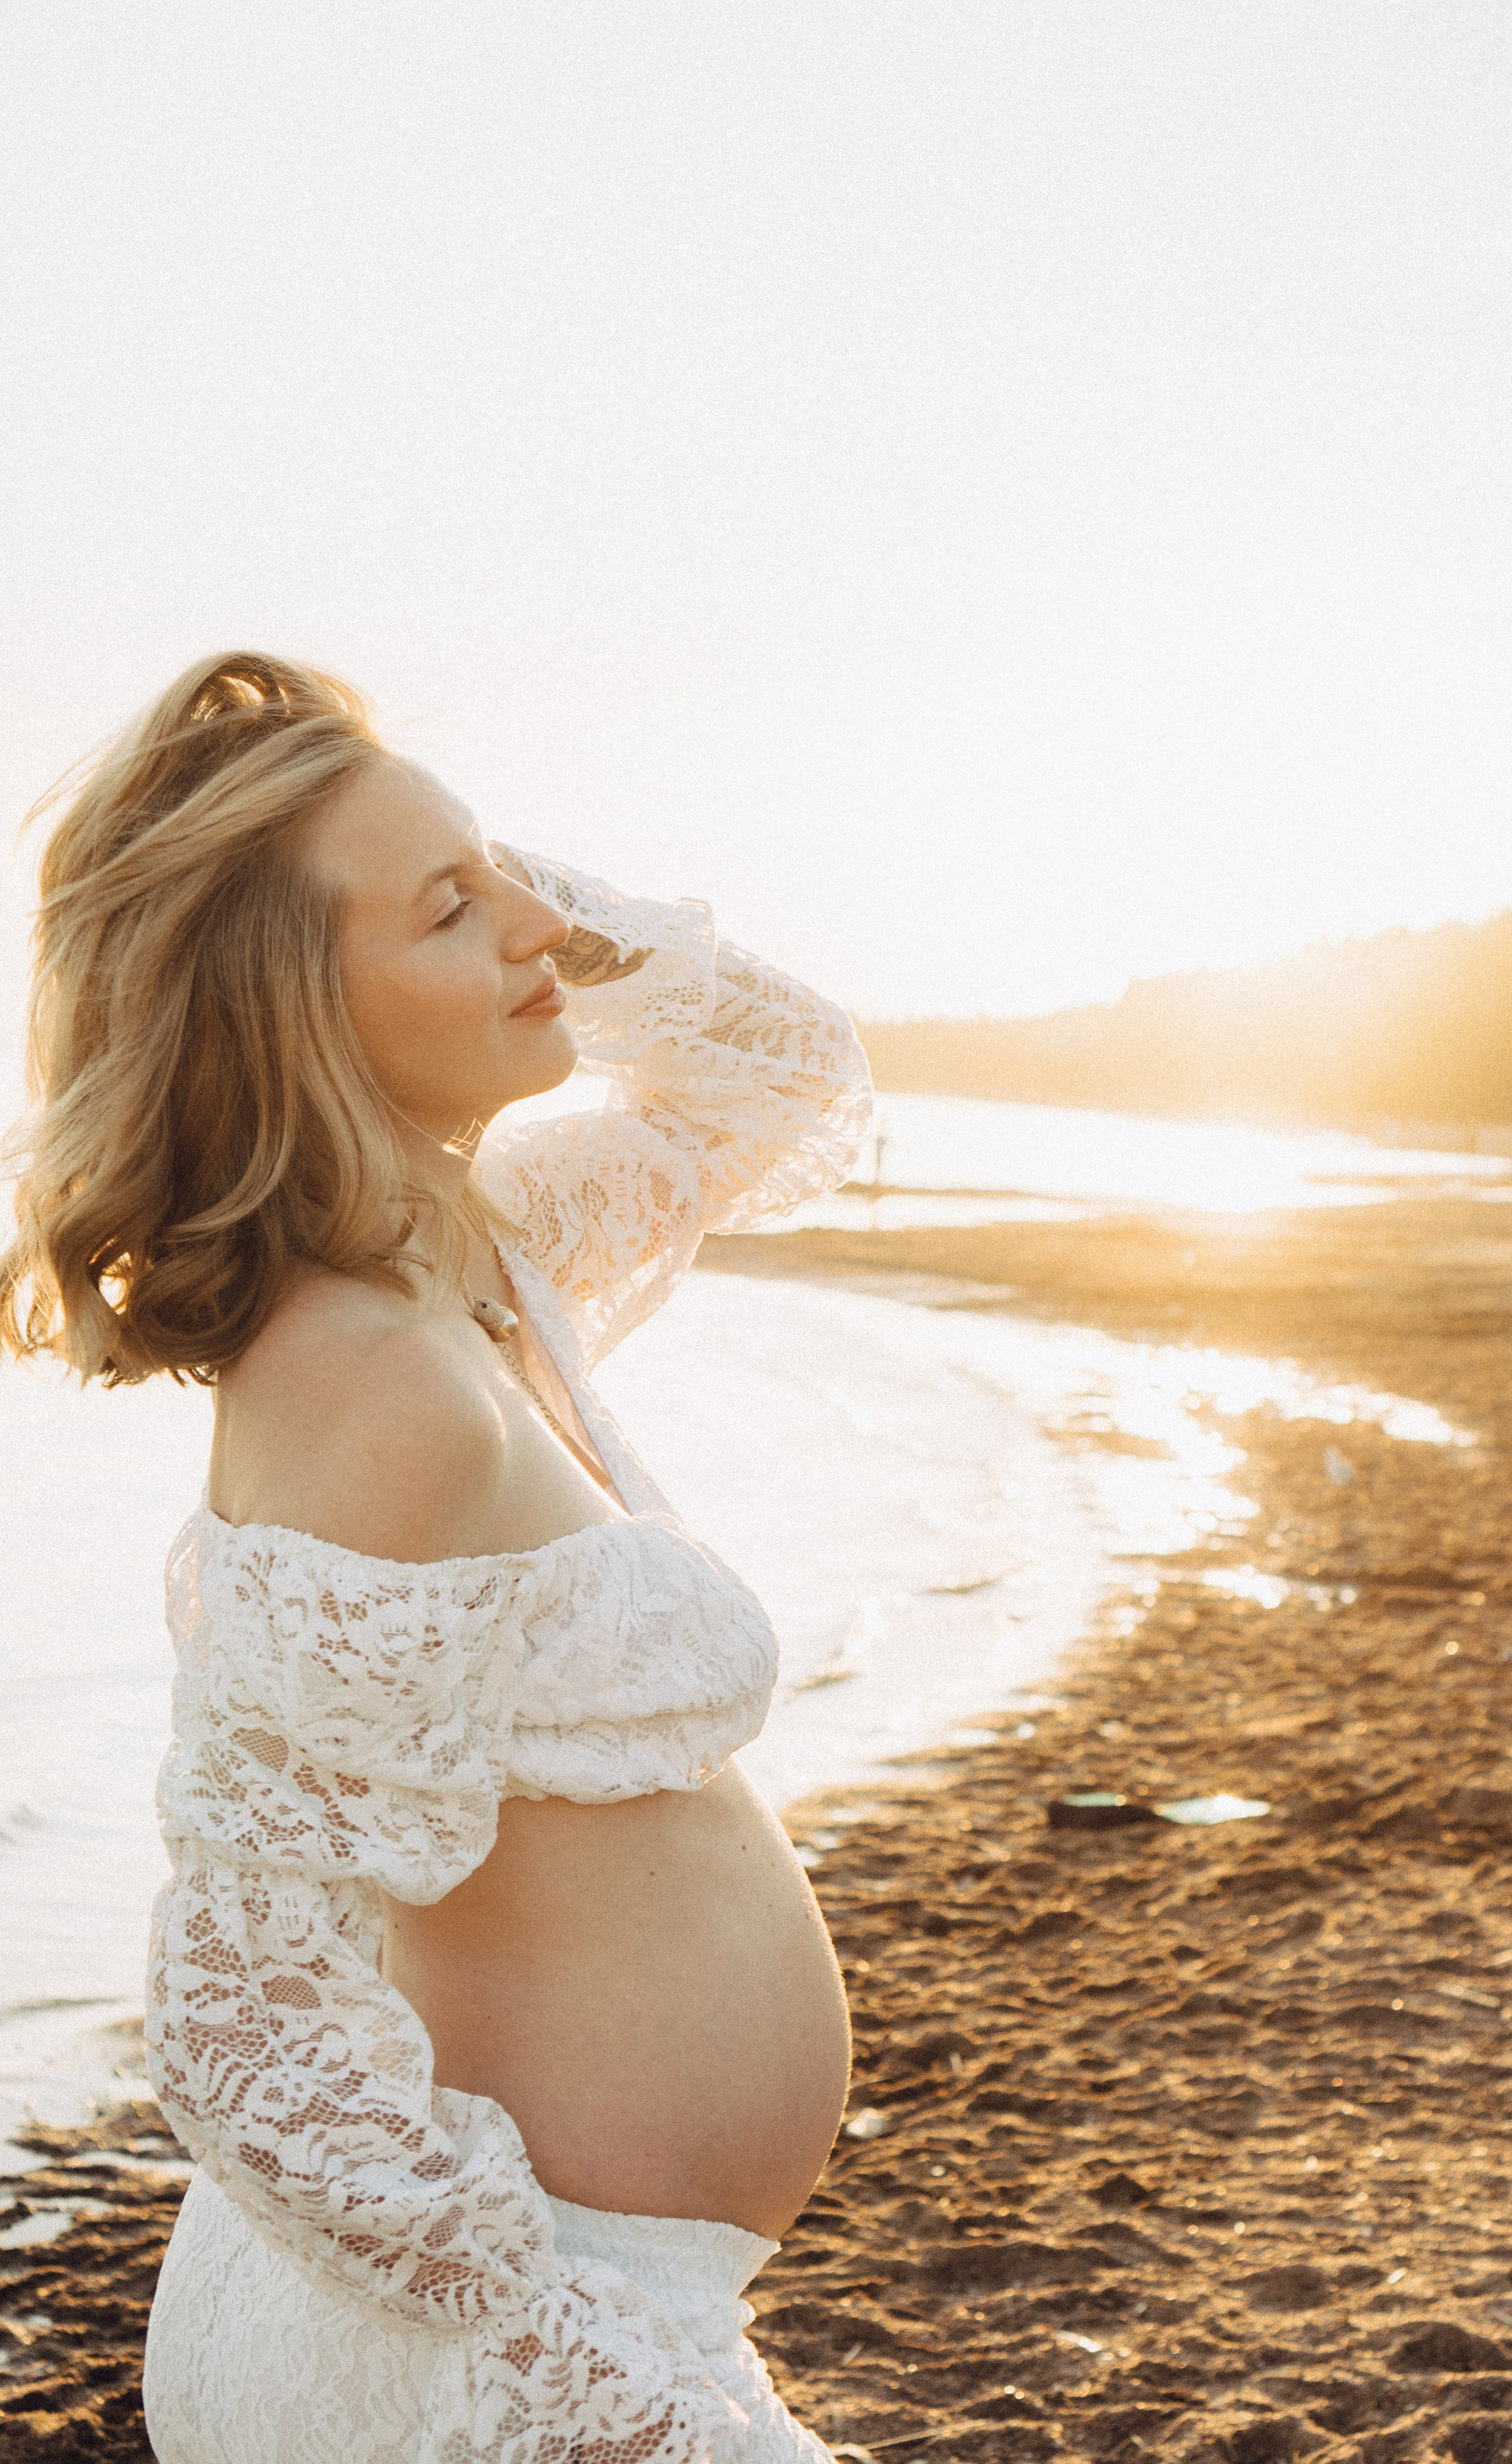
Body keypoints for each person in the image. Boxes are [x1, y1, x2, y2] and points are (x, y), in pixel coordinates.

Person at [0, 652, 875, 2463]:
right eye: (451, 913)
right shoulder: (375, 1392)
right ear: (291, 1011)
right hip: (478, 2336)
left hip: (568, 2301)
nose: (538, 928)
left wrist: (504, 887)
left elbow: (782, 1080)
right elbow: (249, 2020)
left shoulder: (479, 1265)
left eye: (512, 878)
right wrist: (560, 2363)